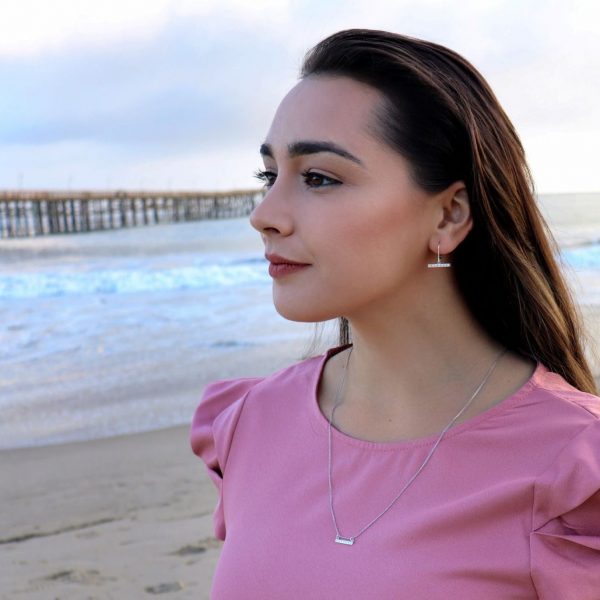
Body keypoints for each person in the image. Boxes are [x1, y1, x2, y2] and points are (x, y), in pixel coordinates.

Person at [190, 29, 600, 598]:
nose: (265, 214)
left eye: (319, 178)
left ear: (448, 215)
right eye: (269, 176)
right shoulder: (248, 426)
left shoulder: (575, 472)